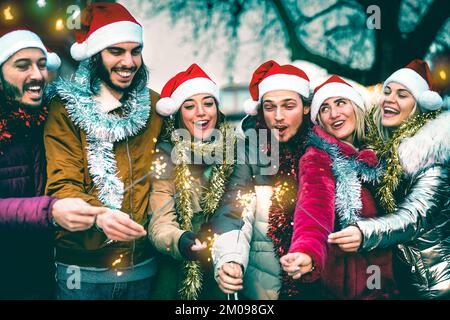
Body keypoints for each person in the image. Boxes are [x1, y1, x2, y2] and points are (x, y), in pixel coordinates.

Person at [44, 3, 162, 300]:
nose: (129, 61)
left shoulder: (154, 107)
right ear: (95, 55)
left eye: (135, 51)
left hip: (143, 267)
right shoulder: (66, 109)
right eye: (116, 52)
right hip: (81, 272)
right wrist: (99, 216)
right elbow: (62, 184)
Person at [328, 59, 449, 299]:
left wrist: (362, 232)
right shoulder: (383, 150)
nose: (389, 99)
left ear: (420, 105)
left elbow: (414, 218)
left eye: (402, 94)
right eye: (387, 91)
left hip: (434, 285)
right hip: (400, 279)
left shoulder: (435, 155)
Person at [0, 28, 106, 299]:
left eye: (42, 65)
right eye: (23, 66)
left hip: (44, 275)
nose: (37, 75)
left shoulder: (50, 120)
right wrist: (49, 211)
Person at [281, 75, 397, 299]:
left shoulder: (380, 153)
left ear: (356, 107)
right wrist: (307, 252)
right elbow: (313, 208)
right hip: (350, 285)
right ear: (319, 120)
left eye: (340, 103)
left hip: (388, 278)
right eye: (324, 108)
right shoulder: (317, 158)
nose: (334, 114)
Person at [211, 60, 313, 299]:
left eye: (288, 106)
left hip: (324, 284)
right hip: (265, 287)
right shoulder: (249, 150)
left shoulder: (326, 148)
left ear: (306, 107)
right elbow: (234, 209)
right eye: (270, 107)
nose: (278, 116)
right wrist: (230, 258)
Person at [148, 63, 236, 300]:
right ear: (177, 115)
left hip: (228, 267)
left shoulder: (236, 153)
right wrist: (181, 240)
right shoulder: (165, 157)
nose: (201, 112)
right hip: (178, 273)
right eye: (189, 106)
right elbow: (160, 221)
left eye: (208, 103)